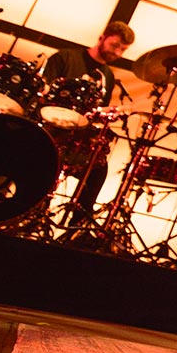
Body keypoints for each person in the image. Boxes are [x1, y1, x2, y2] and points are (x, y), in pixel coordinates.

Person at [41, 20, 134, 226]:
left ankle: (78, 225)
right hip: (49, 131)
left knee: (98, 168)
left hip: (77, 138)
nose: (118, 52)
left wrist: (109, 113)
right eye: (115, 45)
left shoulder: (107, 76)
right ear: (102, 37)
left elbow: (95, 111)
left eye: (123, 49)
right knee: (47, 167)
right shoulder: (65, 58)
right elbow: (43, 92)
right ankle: (36, 211)